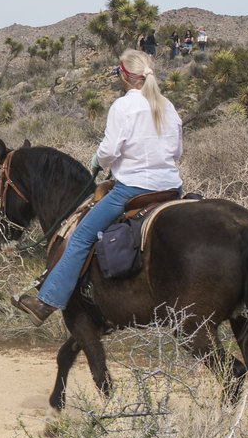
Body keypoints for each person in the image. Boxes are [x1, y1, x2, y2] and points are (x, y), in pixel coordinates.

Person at [13, 48, 183, 323]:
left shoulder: (123, 107)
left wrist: (97, 159)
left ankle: (47, 301)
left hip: (132, 191)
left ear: (125, 77)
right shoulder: (168, 106)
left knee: (80, 237)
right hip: (171, 189)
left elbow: (108, 151)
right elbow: (176, 152)